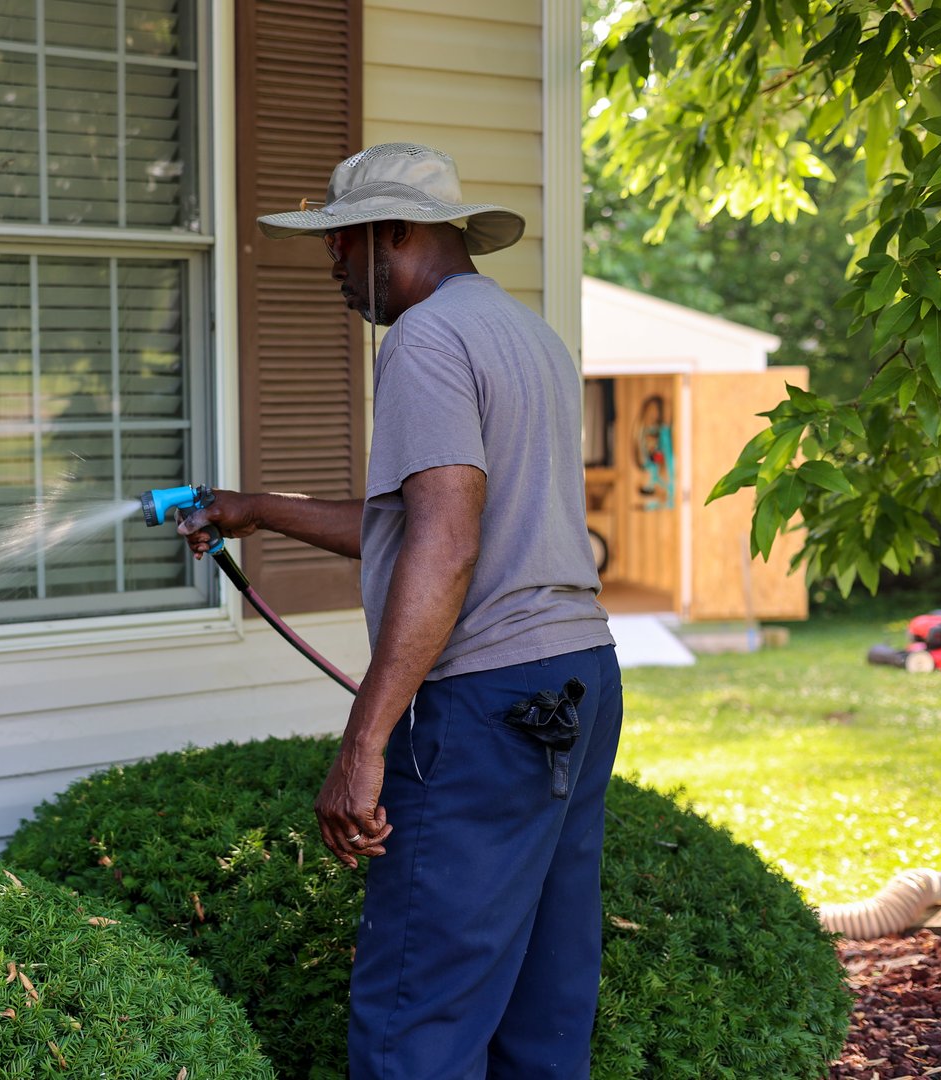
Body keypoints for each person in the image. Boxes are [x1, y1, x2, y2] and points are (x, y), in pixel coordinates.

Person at [178, 143, 622, 1079]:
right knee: (545, 1005)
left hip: (488, 704)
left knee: (416, 1018)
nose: (331, 264)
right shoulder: (524, 333)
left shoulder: (422, 340)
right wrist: (253, 510)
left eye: (341, 243)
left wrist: (364, 741)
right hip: (576, 681)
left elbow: (447, 545)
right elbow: (427, 524)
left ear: (392, 233)